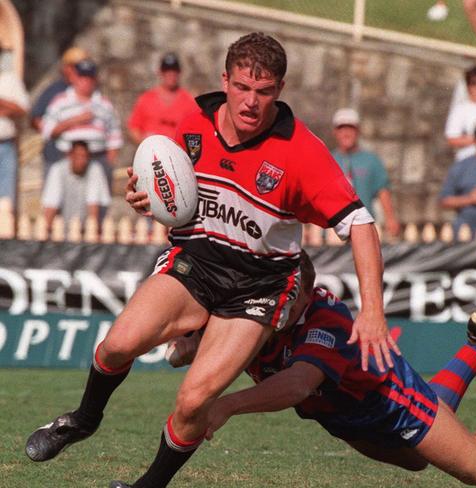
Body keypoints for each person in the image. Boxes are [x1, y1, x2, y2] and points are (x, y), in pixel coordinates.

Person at [25, 32, 399, 487]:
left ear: (279, 91)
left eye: (263, 92)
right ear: (225, 80)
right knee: (118, 344)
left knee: (192, 401)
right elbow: (165, 190)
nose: (250, 103)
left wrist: (373, 311)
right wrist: (141, 196)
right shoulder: (193, 123)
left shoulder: (303, 152)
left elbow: (361, 224)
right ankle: (83, 419)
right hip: (196, 261)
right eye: (242, 88)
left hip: (258, 286)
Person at [138, 252, 476, 488]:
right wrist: (185, 340)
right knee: (417, 459)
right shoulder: (257, 310)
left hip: (387, 399)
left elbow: (299, 382)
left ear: (306, 293)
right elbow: (192, 334)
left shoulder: (325, 320)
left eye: (290, 298)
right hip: (342, 418)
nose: (279, 308)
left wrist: (226, 405)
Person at [40, 58, 123, 192]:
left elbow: (114, 133)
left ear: (95, 80)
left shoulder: (104, 103)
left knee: (98, 201)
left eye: (89, 78)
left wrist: (109, 161)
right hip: (68, 158)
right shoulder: (60, 101)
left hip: (98, 158)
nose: (86, 82)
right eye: (82, 77)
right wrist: (75, 120)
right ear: (74, 78)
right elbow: (48, 131)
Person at [331, 107, 400, 238]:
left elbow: (383, 190)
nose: (346, 133)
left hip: (365, 225)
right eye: (342, 128)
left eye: (350, 128)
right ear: (335, 132)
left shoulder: (371, 160)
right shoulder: (328, 160)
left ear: (358, 131)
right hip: (334, 228)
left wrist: (390, 218)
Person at [30, 46, 89, 177]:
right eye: (76, 66)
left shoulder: (90, 90)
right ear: (66, 68)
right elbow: (36, 119)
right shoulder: (54, 90)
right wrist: (54, 130)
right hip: (55, 156)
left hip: (82, 160)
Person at [41, 140, 112, 233]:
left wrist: (92, 234)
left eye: (85, 157)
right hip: (61, 230)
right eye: (78, 157)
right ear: (70, 156)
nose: (82, 161)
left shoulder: (94, 169)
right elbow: (51, 204)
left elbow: (93, 205)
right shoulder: (58, 169)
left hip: (87, 230)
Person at [127, 52, 197, 144]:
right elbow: (134, 127)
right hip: (151, 153)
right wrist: (145, 142)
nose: (171, 74)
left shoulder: (189, 101)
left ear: (179, 73)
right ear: (160, 72)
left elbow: (196, 131)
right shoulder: (146, 99)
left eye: (174, 71)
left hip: (177, 153)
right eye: (167, 71)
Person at [0, 45, 30, 210]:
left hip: (5, 144)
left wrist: (3, 104)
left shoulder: (9, 80)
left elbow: (22, 108)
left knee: (6, 198)